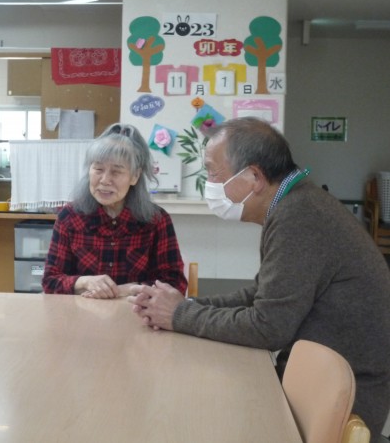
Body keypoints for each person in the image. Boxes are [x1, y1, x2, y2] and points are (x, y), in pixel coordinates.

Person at [129, 117, 390, 437]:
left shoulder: (300, 216)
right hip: (321, 380)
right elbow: (261, 293)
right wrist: (187, 305)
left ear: (253, 177)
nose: (209, 183)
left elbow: (268, 328)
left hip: (338, 398)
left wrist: (180, 314)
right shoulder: (295, 203)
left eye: (213, 172)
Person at [42, 123, 187, 299]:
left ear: (135, 176)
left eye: (116, 172)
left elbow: (175, 284)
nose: (105, 180)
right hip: (81, 312)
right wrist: (84, 281)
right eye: (98, 169)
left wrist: (128, 289)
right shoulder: (70, 217)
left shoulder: (156, 220)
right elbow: (50, 281)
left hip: (135, 311)